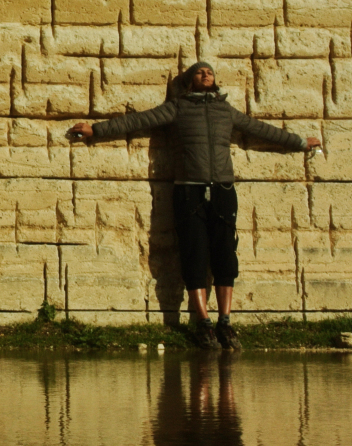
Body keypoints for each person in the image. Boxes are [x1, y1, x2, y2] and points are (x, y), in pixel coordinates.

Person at [69, 62, 321, 349]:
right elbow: (136, 121)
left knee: (226, 255)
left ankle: (225, 322)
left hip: (224, 190)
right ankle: (203, 322)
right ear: (190, 81)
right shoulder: (177, 108)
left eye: (209, 72)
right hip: (189, 192)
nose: (205, 74)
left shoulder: (226, 110)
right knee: (194, 255)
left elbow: (261, 130)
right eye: (200, 72)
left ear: (214, 81)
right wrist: (96, 130)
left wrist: (301, 142)